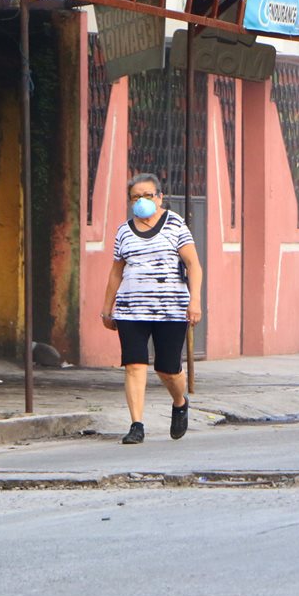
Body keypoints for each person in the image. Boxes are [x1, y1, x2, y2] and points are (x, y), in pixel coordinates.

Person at [100, 173, 203, 444]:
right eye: (136, 197)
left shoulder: (175, 225)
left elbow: (193, 265)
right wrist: (106, 308)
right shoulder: (123, 231)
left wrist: (195, 301)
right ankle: (137, 425)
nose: (142, 201)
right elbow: (115, 272)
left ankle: (180, 402)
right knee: (134, 365)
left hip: (171, 309)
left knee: (167, 368)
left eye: (147, 195)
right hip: (131, 309)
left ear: (159, 197)